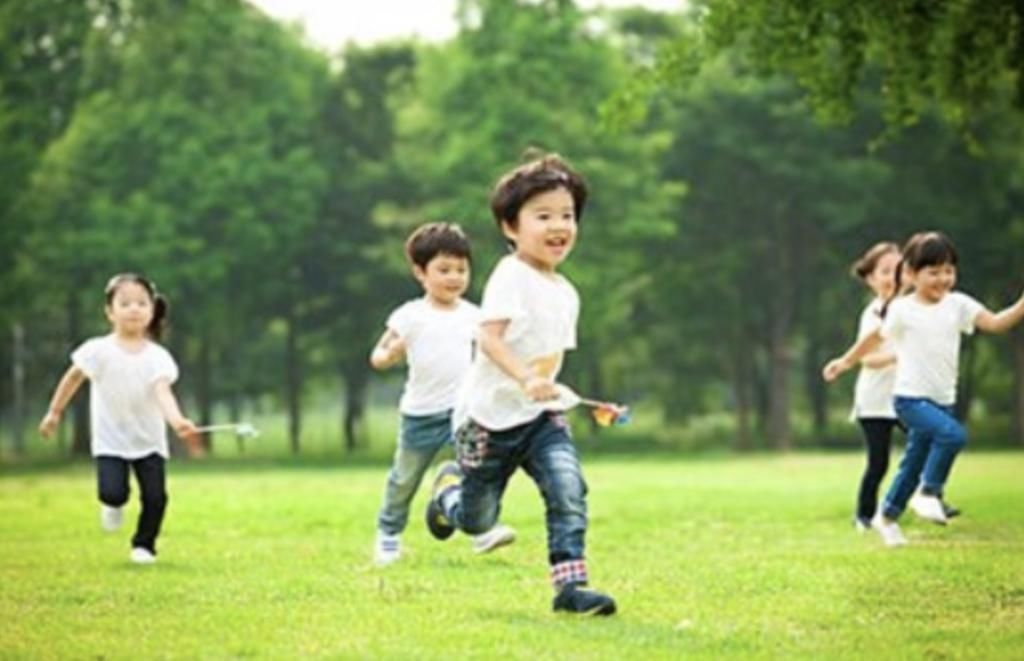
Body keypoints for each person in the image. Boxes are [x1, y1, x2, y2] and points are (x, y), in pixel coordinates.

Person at [424, 153, 616, 615]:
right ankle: (448, 496)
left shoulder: (567, 292)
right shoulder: (512, 275)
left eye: (567, 216)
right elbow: (488, 338)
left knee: (568, 487)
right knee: (477, 519)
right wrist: (526, 377)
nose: (559, 226)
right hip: (486, 421)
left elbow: (550, 358)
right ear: (511, 227)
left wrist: (555, 391)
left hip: (539, 418)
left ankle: (570, 589)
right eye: (544, 216)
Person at [824, 231, 1024, 546]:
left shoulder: (958, 304)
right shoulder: (903, 309)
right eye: (934, 272)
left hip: (943, 400)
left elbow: (997, 322)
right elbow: (874, 338)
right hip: (910, 399)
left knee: (913, 462)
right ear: (913, 274)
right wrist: (846, 361)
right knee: (953, 435)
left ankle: (887, 516)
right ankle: (929, 492)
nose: (943, 278)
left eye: (949, 270)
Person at [370, 222, 516, 566]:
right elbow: (377, 355)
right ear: (421, 272)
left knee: (477, 473)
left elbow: (492, 354)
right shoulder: (409, 316)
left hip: (464, 411)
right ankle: (388, 534)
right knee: (404, 478)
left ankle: (481, 530)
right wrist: (391, 354)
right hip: (420, 413)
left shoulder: (475, 316)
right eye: (444, 269)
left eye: (461, 269)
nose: (454, 277)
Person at [38, 273, 199, 564]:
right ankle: (112, 505)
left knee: (155, 498)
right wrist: (55, 412)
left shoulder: (158, 356)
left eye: (141, 303)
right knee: (113, 493)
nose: (134, 309)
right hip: (110, 439)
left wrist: (177, 421)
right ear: (110, 312)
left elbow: (163, 393)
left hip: (149, 440)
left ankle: (144, 546)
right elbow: (73, 379)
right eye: (125, 303)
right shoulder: (97, 350)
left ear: (152, 310)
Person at [847, 242, 902, 531]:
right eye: (886, 271)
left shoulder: (910, 309)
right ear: (871, 278)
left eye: (899, 270)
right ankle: (864, 515)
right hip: (875, 401)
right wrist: (898, 356)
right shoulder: (872, 315)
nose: (893, 276)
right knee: (878, 463)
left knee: (930, 440)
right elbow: (866, 358)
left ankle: (930, 494)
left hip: (907, 396)